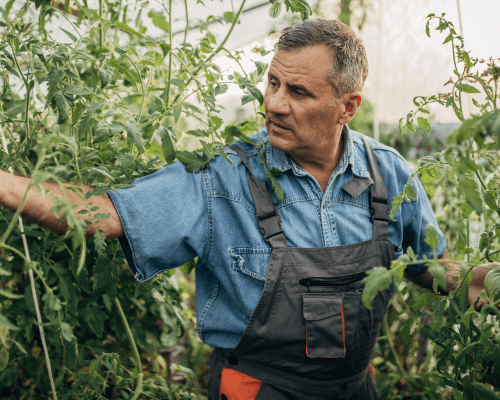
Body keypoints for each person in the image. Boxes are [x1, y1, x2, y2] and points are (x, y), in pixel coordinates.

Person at [0, 18, 494, 400]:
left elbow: (427, 266)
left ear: (347, 107)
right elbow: (102, 212)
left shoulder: (390, 176)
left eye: (298, 92)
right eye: (273, 84)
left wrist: (477, 280)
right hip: (260, 389)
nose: (274, 104)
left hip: (353, 388)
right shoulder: (223, 180)